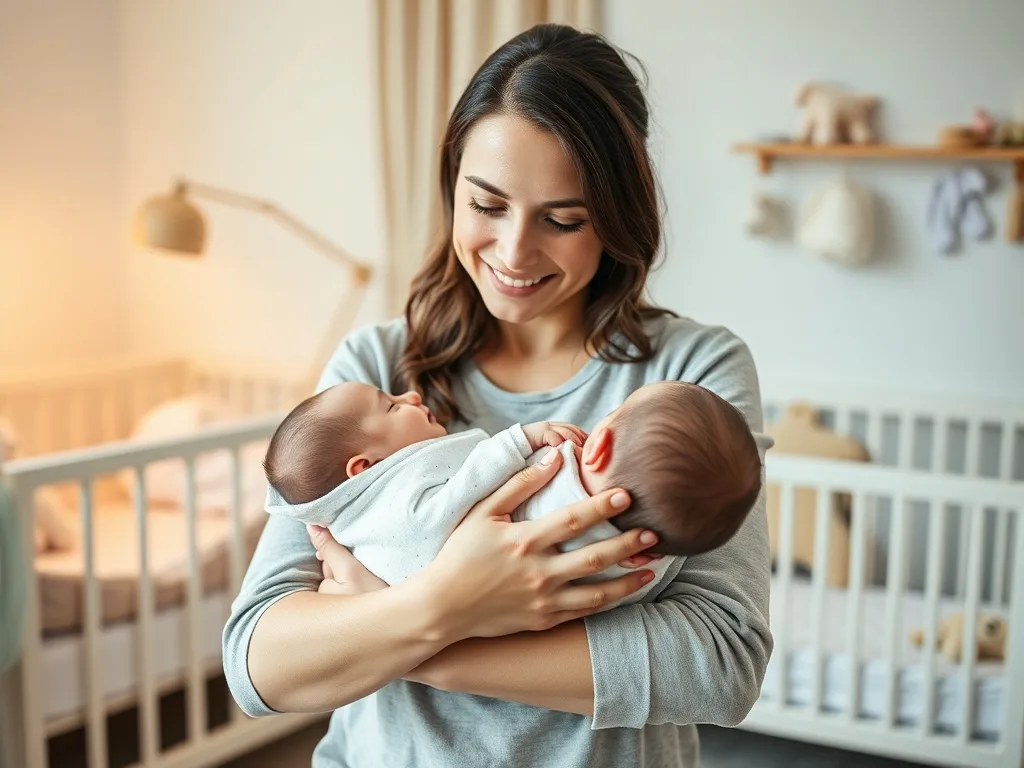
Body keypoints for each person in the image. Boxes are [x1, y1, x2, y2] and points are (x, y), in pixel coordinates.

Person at [223, 22, 774, 768]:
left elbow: (719, 664)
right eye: (486, 205)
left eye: (563, 219)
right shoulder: (375, 372)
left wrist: (427, 635)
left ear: (615, 216)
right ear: (452, 185)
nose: (514, 253)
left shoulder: (689, 375)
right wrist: (444, 603)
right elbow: (258, 661)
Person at [258, 380, 763, 606]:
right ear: (362, 468)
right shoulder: (641, 560)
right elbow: (257, 663)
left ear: (599, 444)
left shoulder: (559, 475)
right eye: (392, 406)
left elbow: (460, 496)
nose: (410, 394)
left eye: (561, 220)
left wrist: (390, 624)